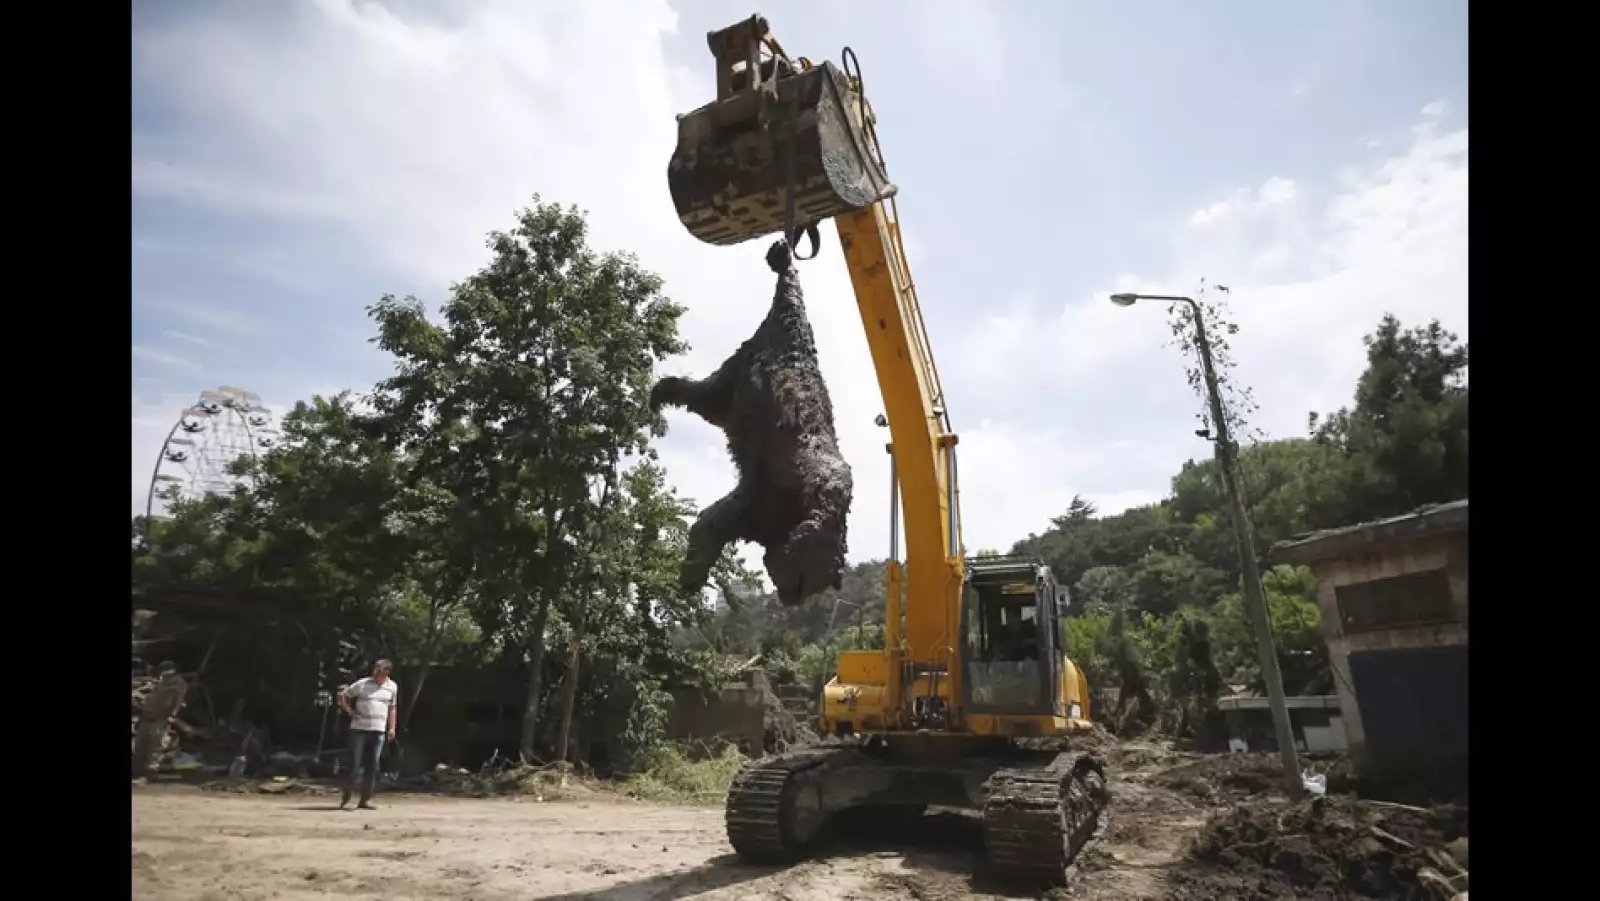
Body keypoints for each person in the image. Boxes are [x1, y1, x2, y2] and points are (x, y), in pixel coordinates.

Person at [338, 659, 398, 810]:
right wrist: (350, 711)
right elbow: (343, 695)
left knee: (373, 766)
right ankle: (347, 799)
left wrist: (392, 728)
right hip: (359, 729)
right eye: (375, 670)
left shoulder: (392, 687)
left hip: (378, 730)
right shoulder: (363, 684)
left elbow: (392, 708)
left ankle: (365, 799)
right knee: (355, 764)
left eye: (379, 671)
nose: (375, 673)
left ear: (387, 673)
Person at [133, 662, 188, 779]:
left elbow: (177, 700)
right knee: (141, 743)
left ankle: (150, 771)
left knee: (155, 743)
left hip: (161, 717)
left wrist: (171, 715)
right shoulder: (161, 682)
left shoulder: (178, 683)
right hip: (148, 715)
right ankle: (137, 769)